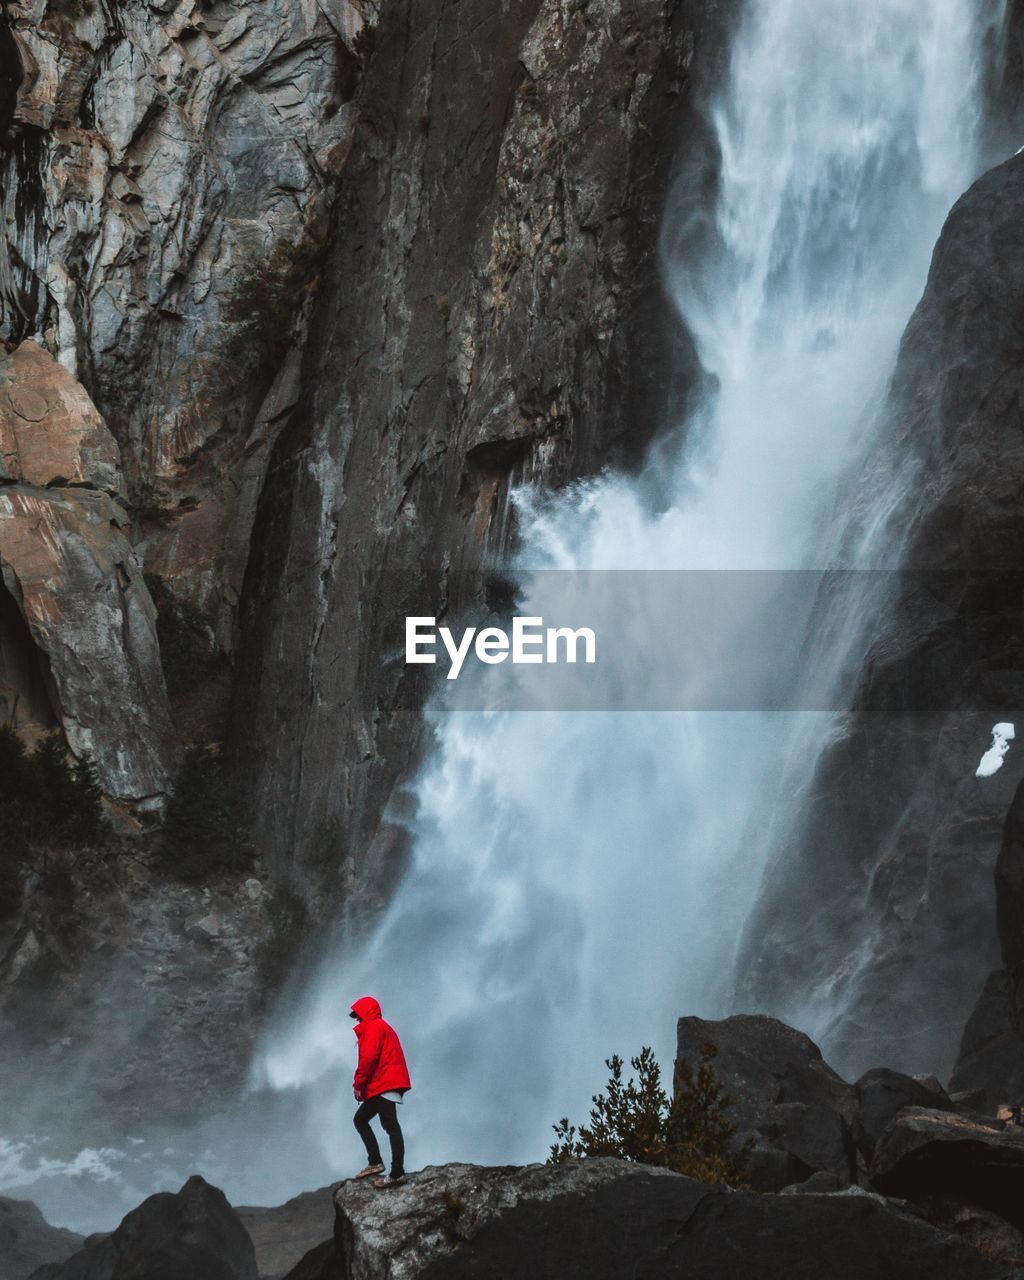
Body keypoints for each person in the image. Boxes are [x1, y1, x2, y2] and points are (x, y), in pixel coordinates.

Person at [349, 995, 411, 1188]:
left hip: (386, 1083)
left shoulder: (375, 1027)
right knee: (361, 1119)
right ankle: (375, 1162)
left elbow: (368, 1059)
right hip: (382, 1084)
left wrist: (358, 1084)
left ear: (366, 1013)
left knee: (391, 1126)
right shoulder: (380, 1027)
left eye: (358, 1016)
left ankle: (397, 1173)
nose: (357, 1020)